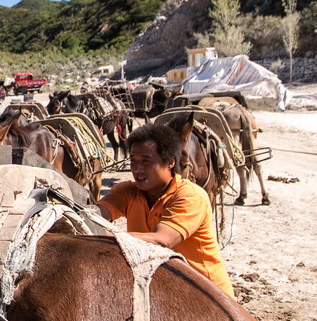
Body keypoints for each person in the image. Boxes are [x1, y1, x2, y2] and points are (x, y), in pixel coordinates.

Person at [96, 123, 235, 298]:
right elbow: (95, 214)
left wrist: (101, 235)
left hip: (208, 296)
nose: (137, 169)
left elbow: (162, 241)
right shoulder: (127, 192)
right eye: (133, 161)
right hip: (167, 291)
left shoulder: (190, 196)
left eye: (146, 161)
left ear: (170, 162)